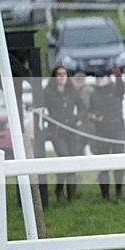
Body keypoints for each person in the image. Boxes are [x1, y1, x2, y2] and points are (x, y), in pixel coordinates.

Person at [43, 66, 86, 202]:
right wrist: (49, 121)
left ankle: (71, 196)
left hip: (71, 131)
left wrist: (75, 118)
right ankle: (59, 189)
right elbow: (40, 109)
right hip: (57, 132)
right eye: (59, 74)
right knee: (63, 158)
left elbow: (83, 109)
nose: (62, 76)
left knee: (73, 161)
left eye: (64, 74)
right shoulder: (48, 92)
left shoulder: (72, 91)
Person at [89, 67, 125, 200]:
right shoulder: (94, 94)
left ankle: (119, 191)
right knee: (103, 165)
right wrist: (94, 117)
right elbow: (89, 111)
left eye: (102, 77)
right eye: (97, 78)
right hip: (101, 132)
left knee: (119, 164)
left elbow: (122, 88)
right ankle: (105, 195)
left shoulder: (116, 90)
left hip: (117, 130)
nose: (99, 80)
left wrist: (118, 77)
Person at [71, 71, 95, 155]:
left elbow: (85, 107)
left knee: (93, 147)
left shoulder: (86, 91)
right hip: (85, 124)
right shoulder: (81, 91)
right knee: (78, 146)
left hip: (89, 124)